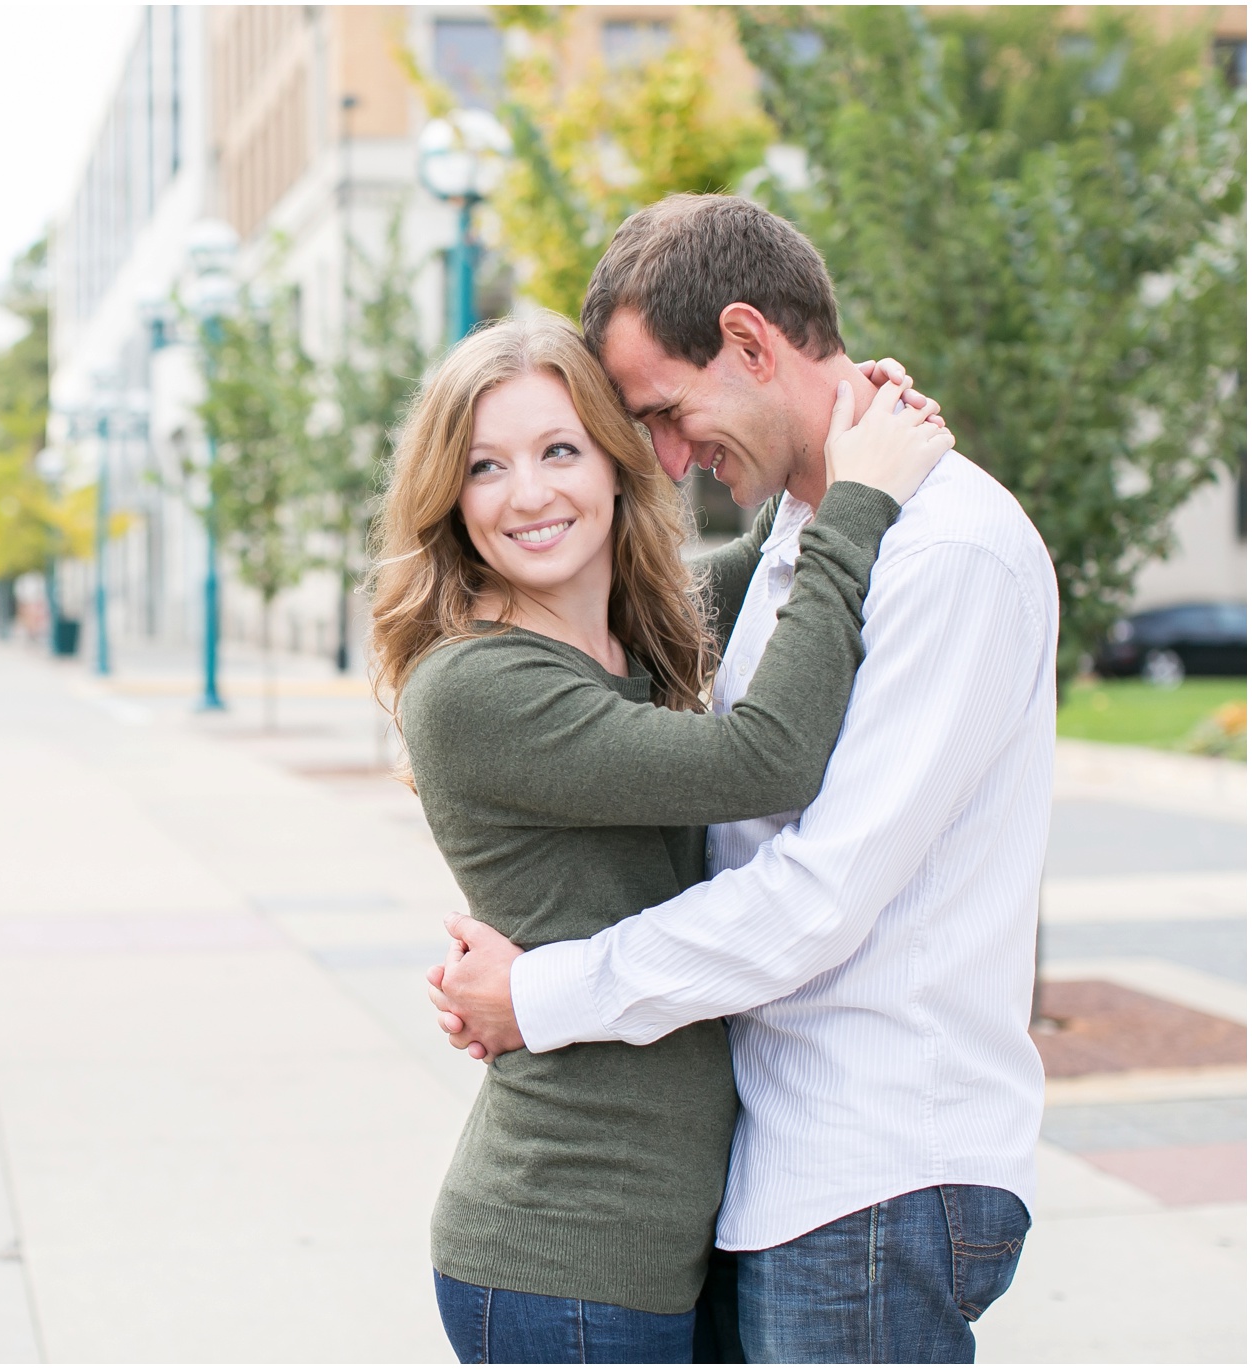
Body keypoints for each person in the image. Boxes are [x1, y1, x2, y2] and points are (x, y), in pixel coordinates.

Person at [427, 194, 1057, 1364]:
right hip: (770, 1176)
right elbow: (717, 706)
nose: (664, 460)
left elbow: (815, 892)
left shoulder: (944, 554)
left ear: (752, 341)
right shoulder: (799, 541)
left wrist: (545, 993)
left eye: (661, 415)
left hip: (874, 1169)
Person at [369, 308, 952, 1364]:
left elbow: (776, 554)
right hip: (564, 1255)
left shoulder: (635, 632)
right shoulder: (477, 685)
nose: (530, 493)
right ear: (448, 499)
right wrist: (861, 498)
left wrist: (838, 423)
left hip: (654, 1248)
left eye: (557, 449)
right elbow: (762, 759)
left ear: (614, 457)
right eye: (485, 466)